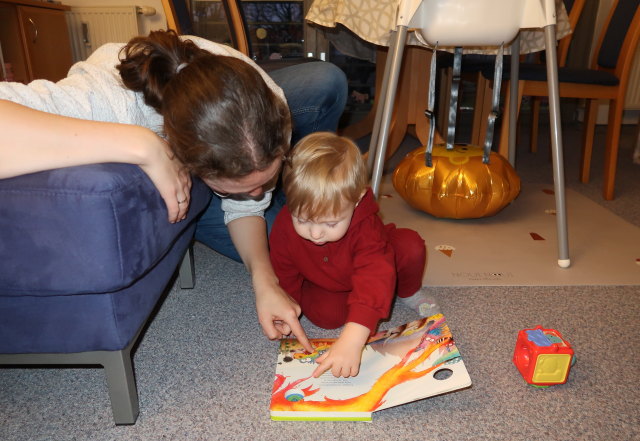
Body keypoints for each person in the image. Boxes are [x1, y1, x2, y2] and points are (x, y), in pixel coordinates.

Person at [0, 30, 348, 353]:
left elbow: (249, 199)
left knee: (325, 82)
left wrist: (265, 280)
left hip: (233, 118)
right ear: (190, 163)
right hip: (157, 127)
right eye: (247, 187)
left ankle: (296, 182)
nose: (257, 194)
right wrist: (142, 145)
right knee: (304, 248)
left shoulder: (270, 102)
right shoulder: (105, 100)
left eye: (267, 177)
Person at [269, 132, 441, 379]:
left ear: (358, 199)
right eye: (303, 220)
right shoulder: (285, 225)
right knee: (326, 318)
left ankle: (407, 291)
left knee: (410, 246)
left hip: (375, 263)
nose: (315, 233)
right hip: (328, 280)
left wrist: (353, 338)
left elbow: (374, 274)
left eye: (330, 223)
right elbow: (284, 271)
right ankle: (367, 301)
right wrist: (287, 306)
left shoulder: (366, 226)